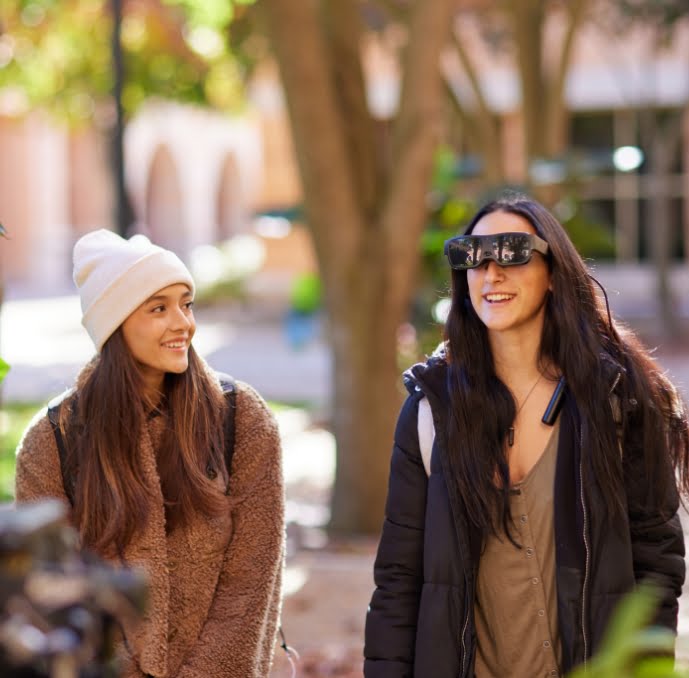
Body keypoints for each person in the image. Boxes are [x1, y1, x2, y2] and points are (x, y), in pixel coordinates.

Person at [364, 194, 689, 677]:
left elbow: (656, 563)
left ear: (553, 273)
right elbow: (398, 579)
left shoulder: (618, 399)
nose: (491, 273)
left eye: (513, 252)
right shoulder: (431, 410)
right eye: (472, 255)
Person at [14, 229, 285, 678]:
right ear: (114, 324)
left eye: (186, 303)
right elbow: (54, 592)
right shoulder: (53, 440)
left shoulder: (240, 417)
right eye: (159, 308)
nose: (183, 322)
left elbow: (251, 582)